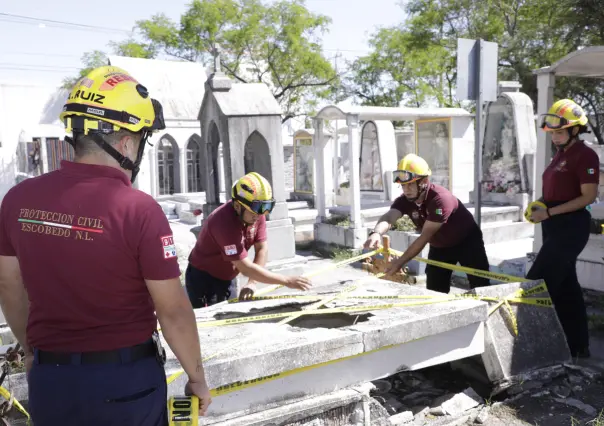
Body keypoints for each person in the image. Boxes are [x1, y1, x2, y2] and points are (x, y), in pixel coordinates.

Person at [0, 66, 211, 426]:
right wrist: (196, 378)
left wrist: (33, 351)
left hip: (52, 383)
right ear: (127, 142)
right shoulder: (138, 209)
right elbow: (172, 310)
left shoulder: (17, 200)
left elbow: (8, 285)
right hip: (124, 386)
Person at [526, 99, 599, 359]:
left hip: (571, 225)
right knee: (567, 288)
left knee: (536, 284)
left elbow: (587, 197)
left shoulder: (585, 155)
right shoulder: (560, 154)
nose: (555, 137)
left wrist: (549, 211)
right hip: (553, 224)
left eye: (560, 132)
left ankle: (527, 348)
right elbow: (556, 191)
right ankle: (578, 347)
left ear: (575, 130)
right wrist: (540, 206)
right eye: (553, 132)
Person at [364, 153, 491, 293]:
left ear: (424, 181)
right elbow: (389, 217)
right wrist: (376, 233)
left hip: (467, 242)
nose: (406, 190)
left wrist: (399, 262)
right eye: (403, 185)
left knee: (481, 287)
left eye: (410, 184)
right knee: (435, 290)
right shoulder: (405, 199)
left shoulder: (441, 200)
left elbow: (424, 237)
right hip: (440, 246)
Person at [186, 172, 311, 307]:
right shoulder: (223, 223)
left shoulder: (257, 211)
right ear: (238, 206)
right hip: (204, 278)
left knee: (231, 317)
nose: (260, 214)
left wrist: (252, 283)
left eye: (267, 207)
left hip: (228, 276)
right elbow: (245, 268)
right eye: (256, 208)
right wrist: (286, 280)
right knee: (210, 322)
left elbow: (261, 248)